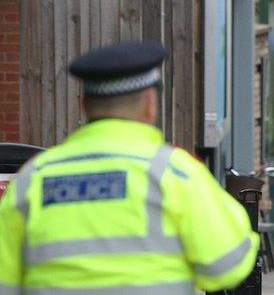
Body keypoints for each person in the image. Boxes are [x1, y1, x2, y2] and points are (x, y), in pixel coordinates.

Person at [0, 41, 259, 293]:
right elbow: (229, 265)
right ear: (150, 103)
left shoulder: (31, 180)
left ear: (85, 105)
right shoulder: (175, 174)